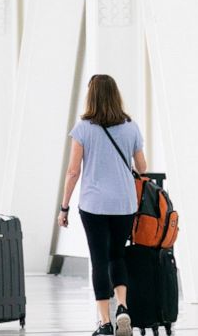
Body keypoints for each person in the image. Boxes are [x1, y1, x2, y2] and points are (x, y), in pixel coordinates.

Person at [59, 74, 147, 336]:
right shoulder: (131, 126)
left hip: (94, 204)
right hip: (124, 204)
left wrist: (64, 207)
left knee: (99, 261)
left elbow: (73, 171)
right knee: (117, 255)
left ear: (91, 96)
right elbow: (142, 168)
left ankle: (105, 323)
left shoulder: (83, 128)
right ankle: (122, 307)